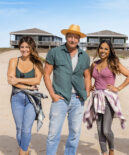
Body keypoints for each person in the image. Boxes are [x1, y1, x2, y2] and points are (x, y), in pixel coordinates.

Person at [44, 24, 91, 155]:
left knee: (75, 133)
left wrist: (87, 92)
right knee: (53, 133)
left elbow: (87, 76)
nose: (73, 40)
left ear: (79, 39)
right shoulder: (55, 52)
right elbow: (46, 74)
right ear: (66, 37)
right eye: (70, 37)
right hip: (60, 98)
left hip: (78, 99)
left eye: (76, 37)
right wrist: (52, 94)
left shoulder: (84, 56)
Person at [83, 40, 129, 155]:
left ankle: (111, 149)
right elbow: (88, 77)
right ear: (98, 49)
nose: (103, 51)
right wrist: (90, 86)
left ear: (110, 51)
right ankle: (104, 153)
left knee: (106, 130)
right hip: (96, 98)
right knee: (99, 129)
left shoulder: (113, 63)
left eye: (106, 49)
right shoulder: (94, 64)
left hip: (108, 99)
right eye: (101, 48)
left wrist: (118, 88)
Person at [7, 36, 45, 155]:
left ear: (31, 48)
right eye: (22, 47)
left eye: (27, 47)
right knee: (19, 129)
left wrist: (18, 80)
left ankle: (22, 152)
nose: (24, 49)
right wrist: (28, 86)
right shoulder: (14, 61)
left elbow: (37, 80)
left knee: (26, 129)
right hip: (16, 98)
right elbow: (10, 81)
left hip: (32, 99)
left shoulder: (36, 62)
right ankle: (26, 150)